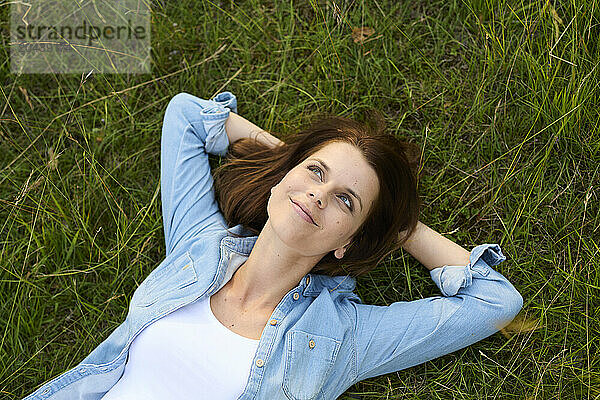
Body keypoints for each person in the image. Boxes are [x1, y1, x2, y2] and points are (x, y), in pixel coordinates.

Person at [24, 92, 523, 400]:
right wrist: (285, 157)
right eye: (315, 172)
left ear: (348, 242)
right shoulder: (199, 247)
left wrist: (399, 229)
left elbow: (496, 301)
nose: (317, 195)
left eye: (345, 201)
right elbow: (188, 117)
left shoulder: (341, 337)